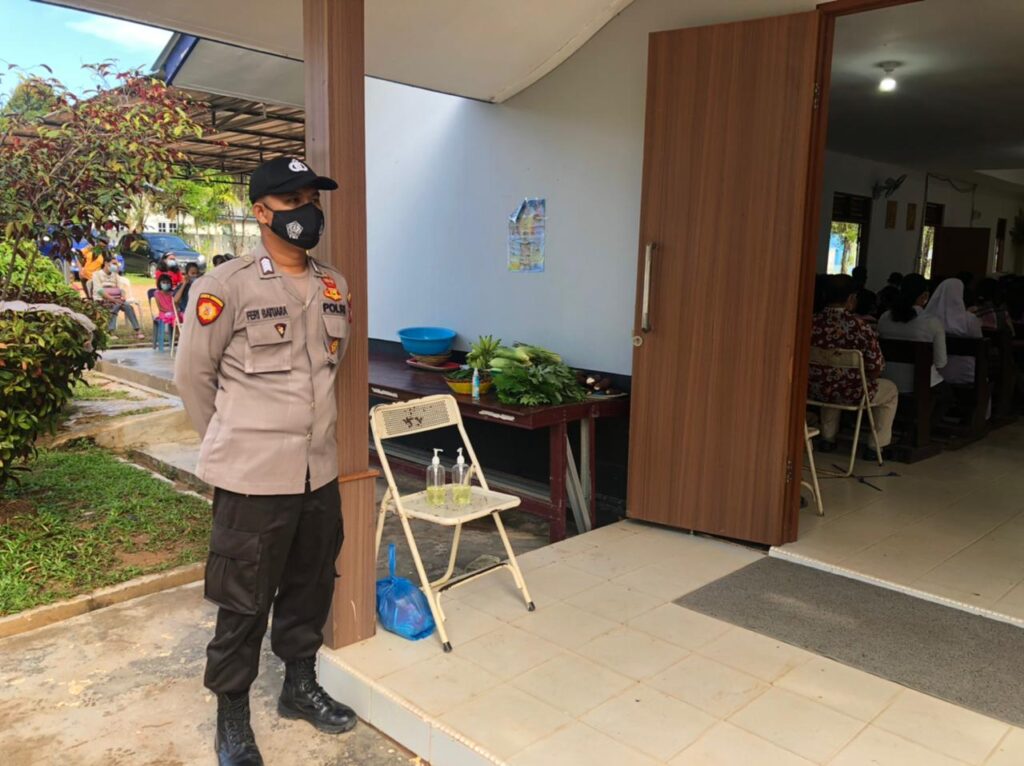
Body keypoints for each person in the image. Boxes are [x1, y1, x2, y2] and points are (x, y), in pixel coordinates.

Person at [175, 156, 355, 765]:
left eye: (313, 199)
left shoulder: (335, 287)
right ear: (260, 212)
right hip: (252, 479)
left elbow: (330, 370)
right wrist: (233, 443)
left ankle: (299, 688)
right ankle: (232, 716)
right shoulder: (224, 286)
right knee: (243, 601)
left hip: (318, 471)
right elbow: (193, 378)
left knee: (310, 584)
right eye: (292, 201)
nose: (307, 212)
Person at [809, 274, 899, 459]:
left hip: (813, 389)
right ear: (851, 298)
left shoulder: (810, 323)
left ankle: (827, 438)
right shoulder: (861, 327)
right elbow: (876, 368)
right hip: (852, 393)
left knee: (831, 380)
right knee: (890, 390)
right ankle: (876, 446)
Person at [877, 273, 952, 429]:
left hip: (887, 379)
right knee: (946, 395)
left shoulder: (884, 318)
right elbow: (940, 362)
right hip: (920, 384)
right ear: (924, 296)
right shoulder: (932, 322)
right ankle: (923, 429)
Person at [923, 278, 983, 385]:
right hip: (967, 373)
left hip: (933, 375)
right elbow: (980, 344)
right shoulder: (970, 320)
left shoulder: (927, 320)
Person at [92, 256, 145, 339]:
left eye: (116, 264)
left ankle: (137, 330)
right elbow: (99, 291)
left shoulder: (115, 275)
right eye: (113, 263)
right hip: (102, 299)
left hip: (117, 299)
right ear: (106, 263)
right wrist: (112, 299)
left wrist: (123, 296)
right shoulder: (96, 274)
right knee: (115, 305)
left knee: (128, 306)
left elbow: (121, 289)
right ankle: (111, 331)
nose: (115, 266)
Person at [153, 273, 181, 352]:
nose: (166, 284)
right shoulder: (157, 293)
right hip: (164, 313)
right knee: (174, 318)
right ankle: (179, 337)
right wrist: (169, 311)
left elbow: (176, 304)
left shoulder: (173, 293)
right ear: (160, 283)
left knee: (180, 316)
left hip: (173, 312)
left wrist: (175, 310)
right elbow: (160, 308)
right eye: (164, 282)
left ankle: (179, 336)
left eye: (168, 282)